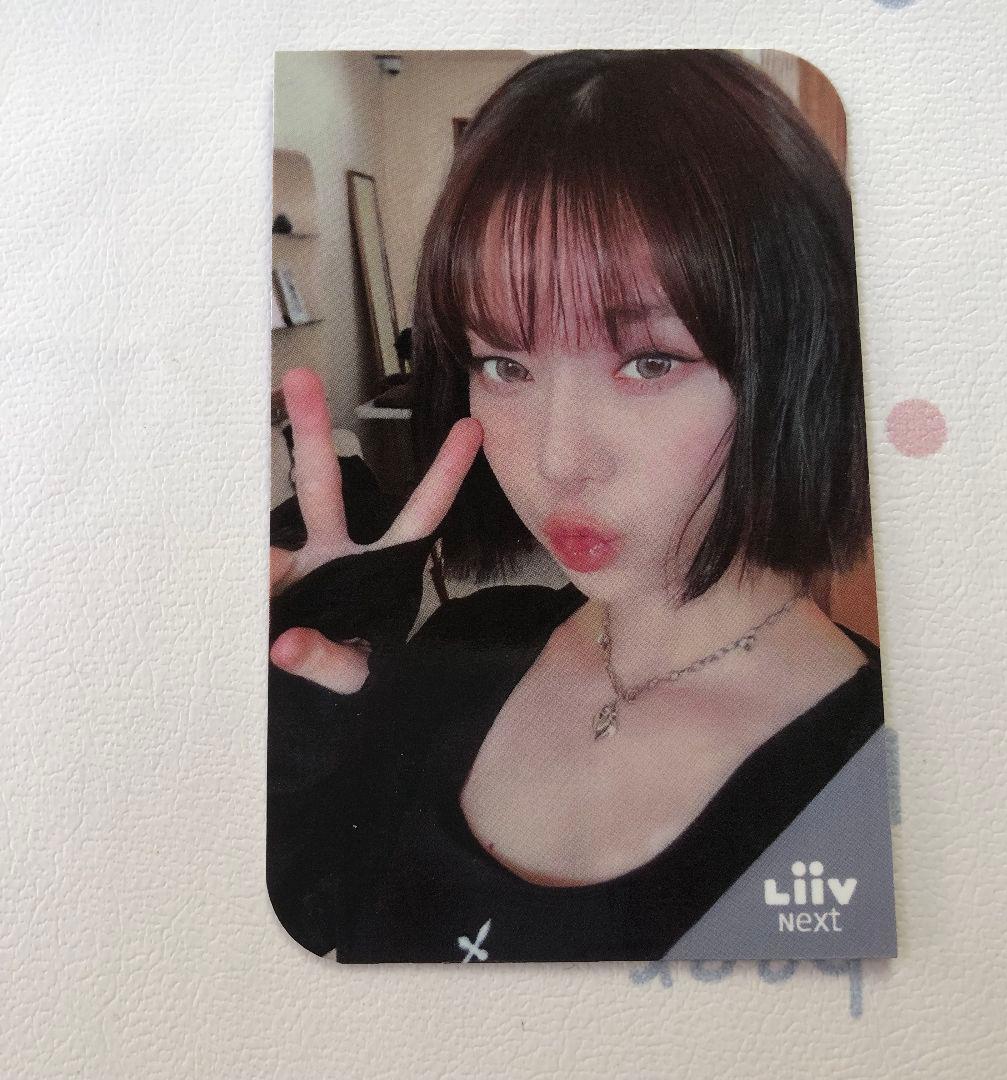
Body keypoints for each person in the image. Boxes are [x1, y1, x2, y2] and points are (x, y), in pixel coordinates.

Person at [267, 49, 885, 963]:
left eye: (649, 362)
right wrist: (296, 726)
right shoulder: (458, 651)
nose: (556, 460)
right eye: (504, 364)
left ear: (795, 363)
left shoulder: (886, 776)